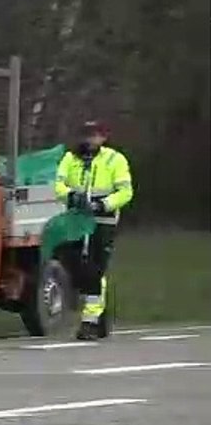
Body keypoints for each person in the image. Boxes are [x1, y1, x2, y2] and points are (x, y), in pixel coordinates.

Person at [54, 120, 135, 340]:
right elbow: (58, 184)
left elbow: (125, 192)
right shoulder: (70, 158)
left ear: (103, 137)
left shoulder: (114, 159)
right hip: (77, 220)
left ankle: (89, 322)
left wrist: (104, 204)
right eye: (87, 135)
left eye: (95, 135)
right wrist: (71, 196)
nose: (90, 140)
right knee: (76, 268)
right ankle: (100, 315)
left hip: (103, 221)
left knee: (95, 270)